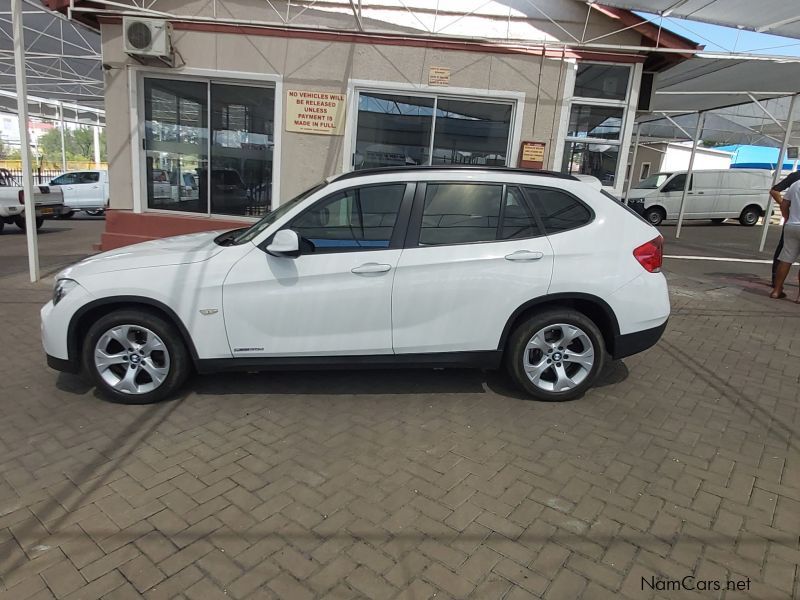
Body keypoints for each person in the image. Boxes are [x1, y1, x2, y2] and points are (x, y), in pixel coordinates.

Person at [770, 178, 800, 300]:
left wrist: (787, 218)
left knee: (785, 260)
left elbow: (784, 204)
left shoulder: (796, 184)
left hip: (792, 226)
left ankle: (776, 291)